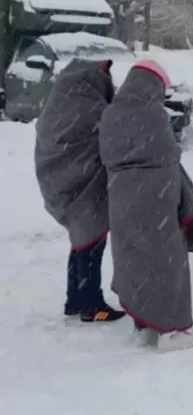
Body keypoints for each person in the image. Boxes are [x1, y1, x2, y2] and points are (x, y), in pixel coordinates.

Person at [100, 60, 193, 350]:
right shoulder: (153, 114)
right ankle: (172, 330)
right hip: (157, 196)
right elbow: (168, 156)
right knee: (167, 262)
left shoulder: (110, 113)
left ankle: (142, 325)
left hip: (120, 195)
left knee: (132, 260)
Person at [34, 60, 125, 323]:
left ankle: (74, 299)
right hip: (82, 183)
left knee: (81, 238)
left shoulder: (61, 101)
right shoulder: (89, 107)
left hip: (62, 181)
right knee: (92, 240)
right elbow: (109, 130)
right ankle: (91, 305)